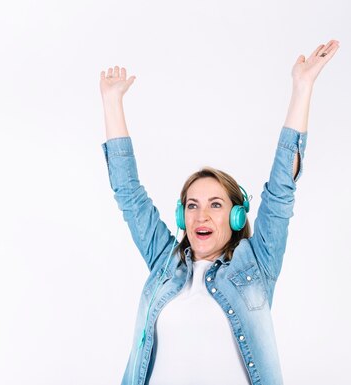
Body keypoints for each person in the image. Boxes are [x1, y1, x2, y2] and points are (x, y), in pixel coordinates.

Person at [99, 40, 340, 385]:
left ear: (237, 216)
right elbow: (129, 194)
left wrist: (302, 87)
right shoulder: (164, 263)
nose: (202, 216)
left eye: (216, 205)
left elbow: (280, 190)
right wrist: (112, 102)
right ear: (182, 216)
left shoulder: (257, 265)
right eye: (192, 206)